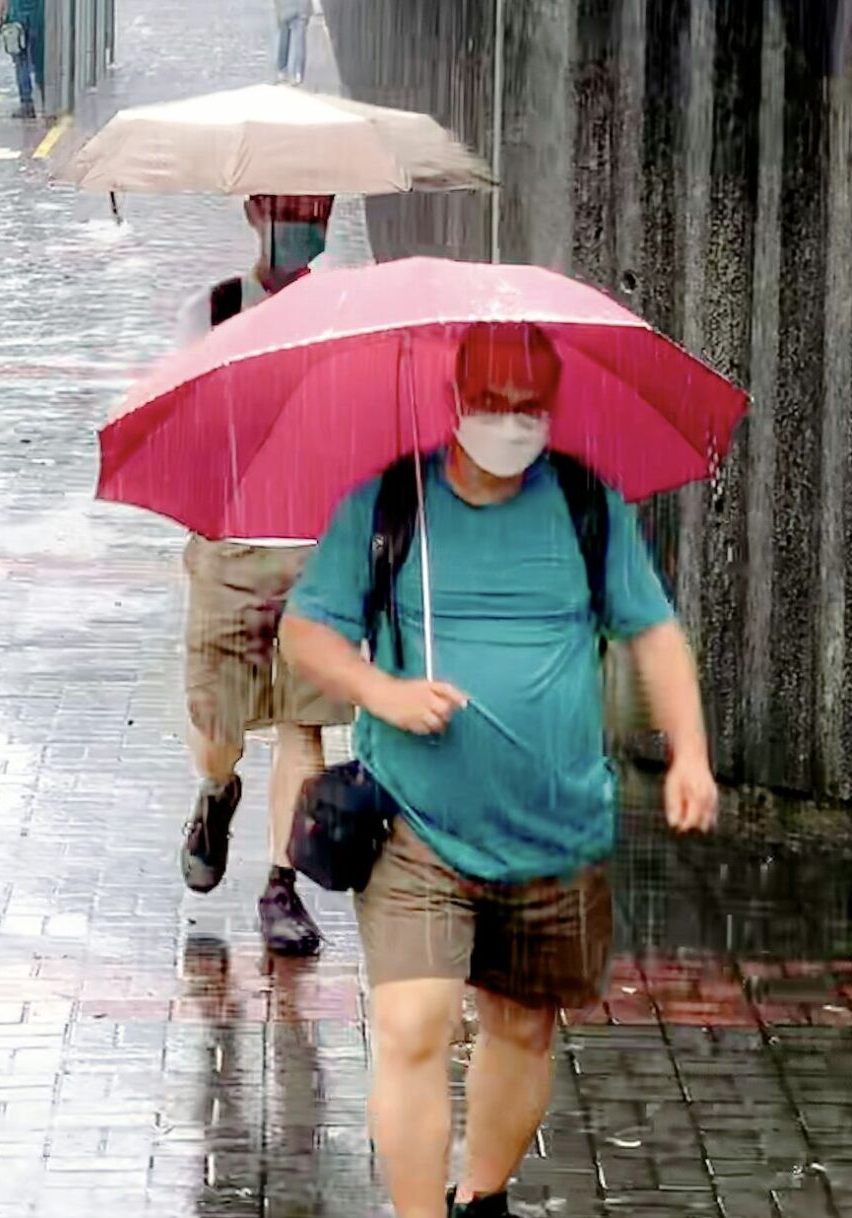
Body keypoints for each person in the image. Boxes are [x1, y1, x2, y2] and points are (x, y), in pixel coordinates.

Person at [279, 321, 719, 1217]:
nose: (512, 424)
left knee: (521, 1029)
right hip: (416, 824)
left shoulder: (586, 505)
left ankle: (481, 1196)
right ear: (456, 402)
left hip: (555, 832)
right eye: (493, 404)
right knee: (413, 1026)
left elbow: (653, 629)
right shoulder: (389, 504)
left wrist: (692, 755)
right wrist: (382, 690)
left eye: (530, 408)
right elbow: (305, 629)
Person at [176, 194, 351, 958]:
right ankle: (217, 793)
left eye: (313, 207)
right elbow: (181, 422)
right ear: (254, 212)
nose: (300, 220)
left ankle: (282, 887)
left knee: (302, 727)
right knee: (218, 732)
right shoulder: (213, 309)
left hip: (318, 553)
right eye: (285, 208)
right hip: (232, 548)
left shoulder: (349, 315)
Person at [0, 0, 45, 119]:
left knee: (21, 61)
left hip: (17, 17)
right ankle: (46, 98)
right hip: (38, 17)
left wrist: (0, 15)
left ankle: (26, 103)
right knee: (40, 58)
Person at [274, 0, 313, 84]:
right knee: (300, 42)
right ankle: (298, 74)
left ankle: (282, 71)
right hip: (302, 7)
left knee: (284, 39)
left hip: (285, 6)